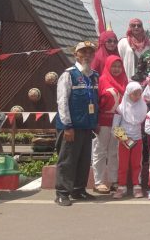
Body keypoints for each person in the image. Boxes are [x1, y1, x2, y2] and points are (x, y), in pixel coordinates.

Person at [54, 41, 99, 206]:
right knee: (67, 161)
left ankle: (79, 190)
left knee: (84, 160)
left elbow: (95, 101)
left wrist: (95, 123)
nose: (87, 55)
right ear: (76, 55)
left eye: (90, 52)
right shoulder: (68, 75)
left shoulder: (94, 75)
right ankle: (62, 193)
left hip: (87, 126)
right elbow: (62, 101)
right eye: (83, 52)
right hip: (71, 128)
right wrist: (67, 126)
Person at [92, 56, 126, 195]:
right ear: (107, 66)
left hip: (119, 122)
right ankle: (99, 182)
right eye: (114, 66)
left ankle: (114, 180)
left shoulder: (125, 81)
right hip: (103, 121)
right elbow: (94, 103)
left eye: (119, 66)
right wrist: (95, 122)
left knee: (115, 152)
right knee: (100, 151)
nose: (117, 69)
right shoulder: (101, 81)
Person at [112, 82, 148, 199]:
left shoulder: (143, 107)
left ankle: (136, 186)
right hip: (124, 141)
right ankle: (121, 186)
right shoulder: (120, 109)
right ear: (128, 94)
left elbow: (145, 125)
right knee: (123, 165)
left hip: (137, 140)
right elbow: (115, 127)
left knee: (136, 164)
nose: (137, 96)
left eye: (139, 93)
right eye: (134, 94)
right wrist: (125, 139)